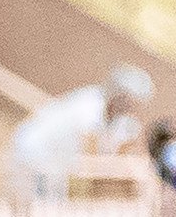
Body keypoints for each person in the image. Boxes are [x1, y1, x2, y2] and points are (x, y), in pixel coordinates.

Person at [9, 64, 154, 180]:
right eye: (126, 99)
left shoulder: (126, 124)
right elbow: (90, 158)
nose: (129, 106)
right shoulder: (90, 104)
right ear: (116, 94)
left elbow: (117, 159)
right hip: (35, 153)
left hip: (58, 165)